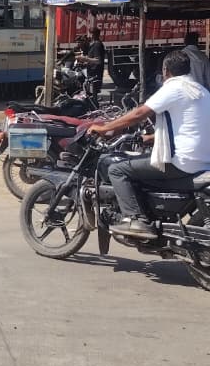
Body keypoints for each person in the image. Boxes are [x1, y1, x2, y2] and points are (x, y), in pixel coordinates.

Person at [89, 50, 210, 238]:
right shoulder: (201, 91)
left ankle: (135, 219)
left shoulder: (174, 88)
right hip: (203, 161)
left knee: (117, 170)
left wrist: (105, 128)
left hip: (181, 163)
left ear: (166, 70)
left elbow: (140, 113)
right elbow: (188, 128)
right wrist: (152, 138)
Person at [77, 27, 106, 101]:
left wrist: (84, 59)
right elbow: (92, 59)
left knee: (93, 96)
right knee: (89, 94)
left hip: (95, 74)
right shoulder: (93, 44)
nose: (88, 36)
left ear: (92, 34)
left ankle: (95, 106)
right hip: (91, 73)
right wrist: (85, 62)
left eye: (89, 34)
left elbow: (98, 60)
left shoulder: (97, 45)